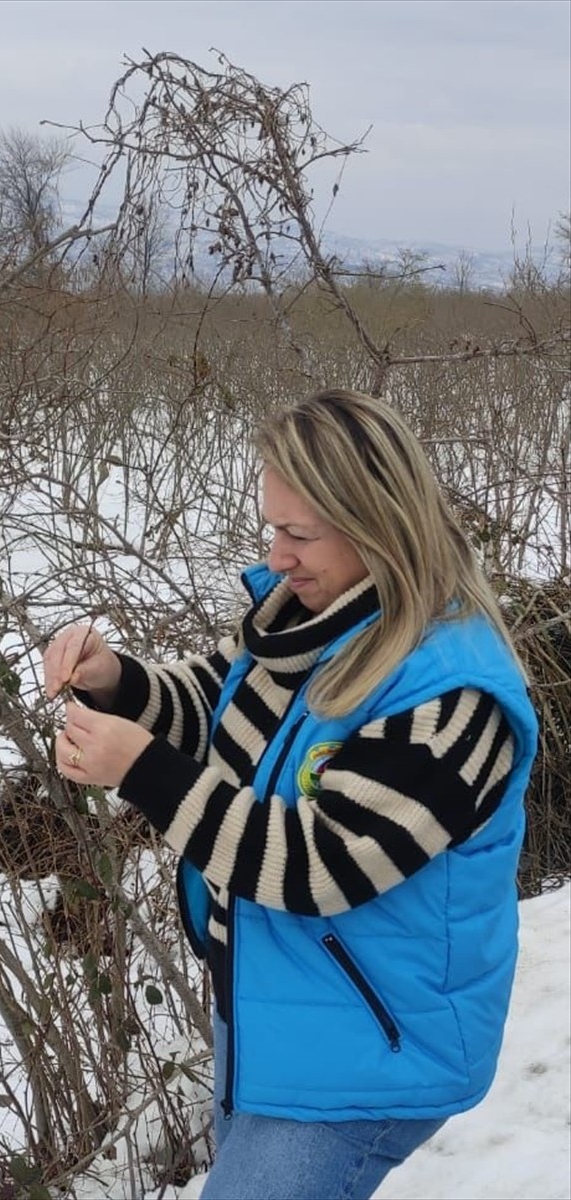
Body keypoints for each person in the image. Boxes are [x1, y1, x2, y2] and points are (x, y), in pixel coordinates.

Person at [43, 388, 539, 1200]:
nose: (277, 557)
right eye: (273, 528)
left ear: (378, 524)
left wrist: (145, 771)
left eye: (299, 534)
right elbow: (223, 705)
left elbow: (322, 865)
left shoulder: (452, 699)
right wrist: (119, 682)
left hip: (370, 1048)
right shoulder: (316, 618)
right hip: (281, 1007)